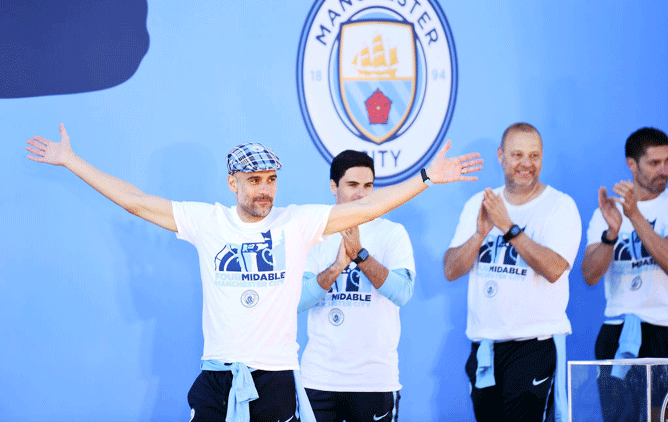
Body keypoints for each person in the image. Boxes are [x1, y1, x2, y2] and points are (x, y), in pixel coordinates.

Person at [26, 124, 482, 422]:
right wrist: (72, 161)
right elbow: (137, 202)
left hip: (277, 379)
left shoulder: (296, 222)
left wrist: (425, 177)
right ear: (233, 183)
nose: (264, 190)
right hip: (217, 377)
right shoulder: (208, 222)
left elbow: (372, 205)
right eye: (254, 180)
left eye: (270, 180)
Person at [443, 122, 581, 422]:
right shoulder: (479, 204)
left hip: (534, 346)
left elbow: (555, 269)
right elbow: (452, 270)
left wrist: (509, 228)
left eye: (534, 156)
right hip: (485, 349)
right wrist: (480, 235)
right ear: (500, 156)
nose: (526, 164)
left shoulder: (560, 206)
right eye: (517, 154)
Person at [297, 150, 415, 422]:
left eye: (368, 186)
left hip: (375, 380)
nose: (362, 194)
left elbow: (402, 293)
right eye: (352, 185)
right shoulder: (314, 233)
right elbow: (298, 301)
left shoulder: (392, 233)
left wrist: (361, 255)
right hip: (320, 379)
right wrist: (337, 266)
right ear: (333, 186)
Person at [581, 127, 668, 422]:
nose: (664, 170)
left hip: (664, 330)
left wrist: (635, 216)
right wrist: (612, 234)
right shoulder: (607, 213)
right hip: (617, 333)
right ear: (632, 165)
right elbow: (591, 276)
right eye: (654, 163)